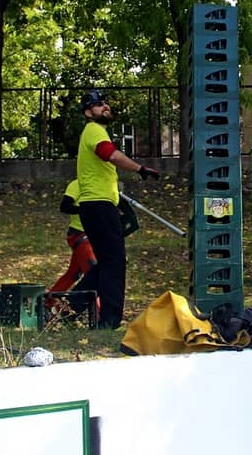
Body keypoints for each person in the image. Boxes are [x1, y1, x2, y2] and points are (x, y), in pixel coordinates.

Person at [76, 89, 160, 328]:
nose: (105, 106)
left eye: (105, 103)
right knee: (114, 262)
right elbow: (110, 154)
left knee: (107, 262)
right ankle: (109, 320)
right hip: (98, 205)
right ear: (88, 112)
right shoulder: (94, 130)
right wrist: (140, 169)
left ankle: (68, 308)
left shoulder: (95, 131)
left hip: (98, 205)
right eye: (99, 104)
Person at [49, 179, 97, 295]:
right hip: (80, 234)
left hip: (98, 236)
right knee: (94, 274)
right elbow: (64, 206)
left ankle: (49, 301)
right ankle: (97, 307)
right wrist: (85, 210)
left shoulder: (106, 185)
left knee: (74, 273)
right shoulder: (77, 184)